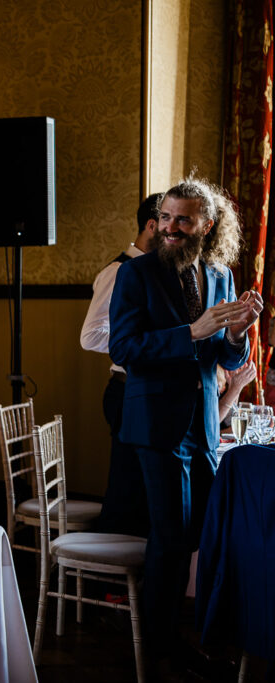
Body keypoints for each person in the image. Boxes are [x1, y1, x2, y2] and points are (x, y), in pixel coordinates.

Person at [109, 176, 263, 672]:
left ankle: (179, 628)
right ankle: (158, 643)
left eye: (182, 220)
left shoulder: (219, 275)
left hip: (201, 423)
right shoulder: (135, 275)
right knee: (170, 536)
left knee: (198, 533)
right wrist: (189, 332)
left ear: (207, 226)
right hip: (155, 423)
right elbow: (124, 349)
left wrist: (236, 333)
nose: (169, 228)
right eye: (165, 217)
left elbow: (222, 353)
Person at [80, 193, 162, 537]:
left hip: (147, 393)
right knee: (126, 487)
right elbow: (90, 335)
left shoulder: (157, 271)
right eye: (171, 222)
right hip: (126, 392)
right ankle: (112, 583)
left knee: (144, 489)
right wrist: (136, 346)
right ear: (152, 225)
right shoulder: (118, 272)